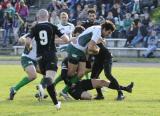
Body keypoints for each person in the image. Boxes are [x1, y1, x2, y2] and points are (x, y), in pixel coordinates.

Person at [26, 9, 69, 110]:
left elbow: (28, 41)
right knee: (49, 79)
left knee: (49, 79)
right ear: (48, 16)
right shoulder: (52, 26)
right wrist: (55, 39)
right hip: (50, 54)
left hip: (39, 57)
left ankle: (56, 104)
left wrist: (30, 47)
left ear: (38, 16)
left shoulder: (35, 27)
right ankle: (41, 85)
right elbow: (66, 39)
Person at [61, 57, 134, 100]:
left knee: (102, 82)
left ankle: (125, 88)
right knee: (89, 97)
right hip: (73, 87)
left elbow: (90, 69)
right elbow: (63, 75)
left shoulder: (83, 57)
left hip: (81, 83)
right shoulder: (66, 60)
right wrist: (70, 83)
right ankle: (97, 95)